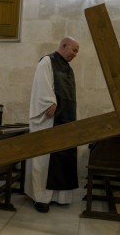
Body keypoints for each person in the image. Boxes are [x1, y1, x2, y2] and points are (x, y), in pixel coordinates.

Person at [25, 37, 80, 213]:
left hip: (65, 120)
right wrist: (49, 102)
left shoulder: (68, 69)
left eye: (77, 51)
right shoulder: (47, 61)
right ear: (64, 46)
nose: (75, 54)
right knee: (45, 161)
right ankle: (41, 198)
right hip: (49, 120)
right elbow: (41, 85)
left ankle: (58, 196)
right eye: (74, 50)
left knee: (62, 157)